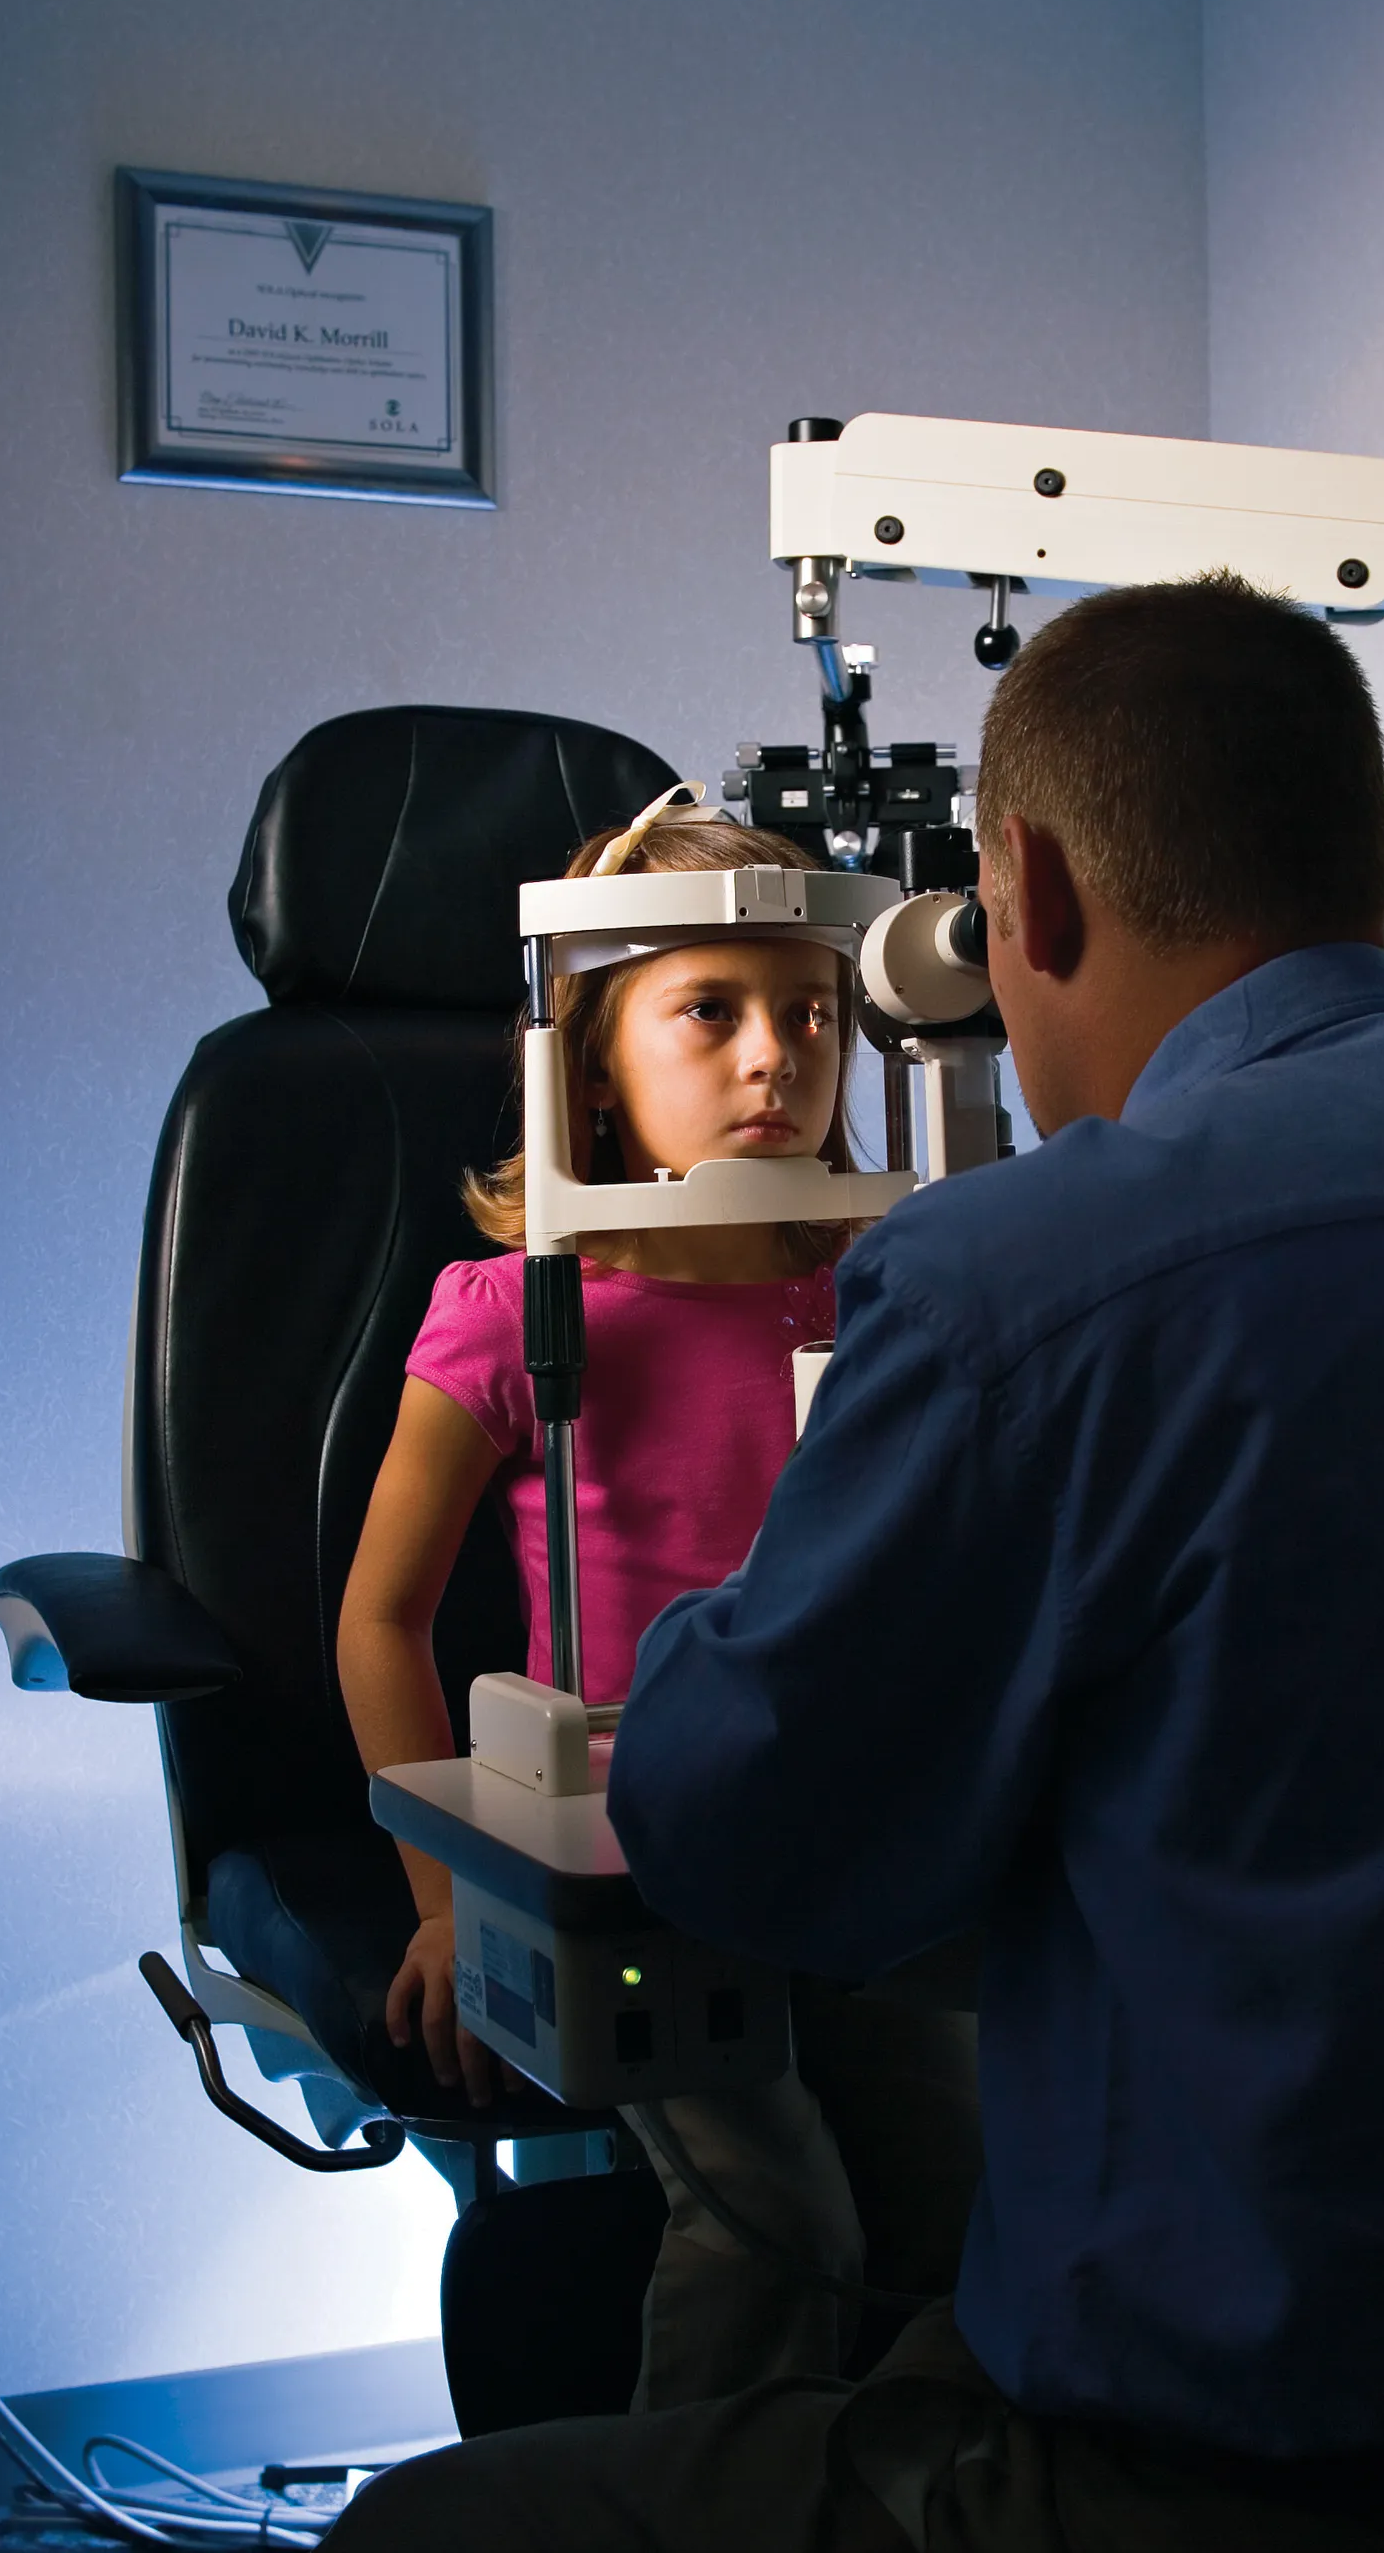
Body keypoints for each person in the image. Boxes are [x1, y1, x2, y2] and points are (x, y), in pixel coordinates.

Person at [294, 578, 1384, 2553]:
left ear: (1008, 891)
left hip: (1266, 2547)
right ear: (1369, 866)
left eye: (804, 1009)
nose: (774, 1060)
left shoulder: (1013, 1286)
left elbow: (743, 1837)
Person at [335, 802, 979, 2410]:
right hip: (627, 1860)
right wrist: (444, 1902)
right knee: (780, 2230)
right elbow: (381, 1620)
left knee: (967, 2208)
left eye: (814, 1013)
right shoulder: (513, 1314)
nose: (778, 1056)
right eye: (711, 1011)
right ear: (592, 1074)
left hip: (850, 1842)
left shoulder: (878, 1290)